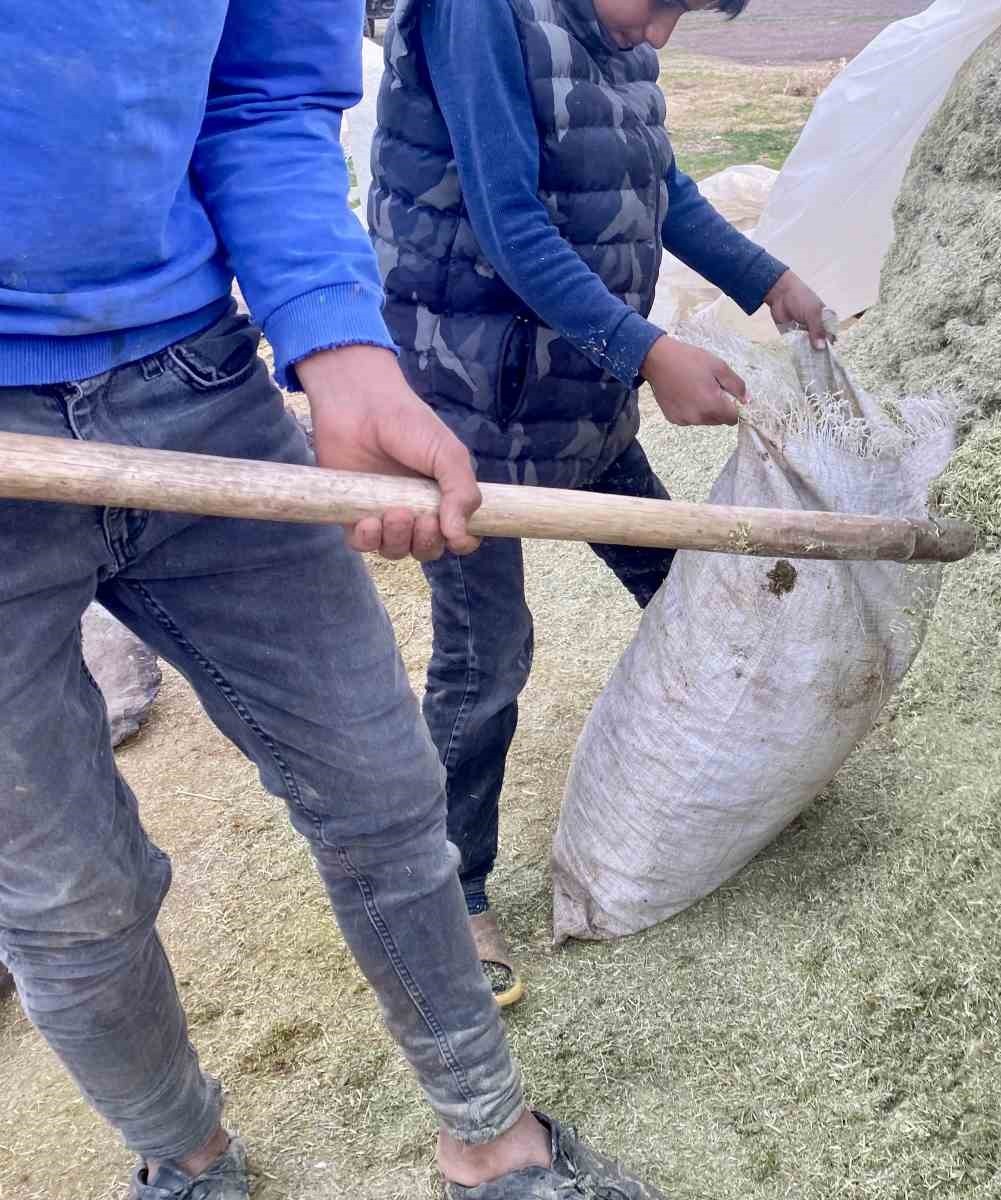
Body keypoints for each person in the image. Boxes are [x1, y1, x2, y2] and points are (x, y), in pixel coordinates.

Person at [0, 3, 668, 1198]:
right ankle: (186, 1158)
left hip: (195, 381)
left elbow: (262, 97)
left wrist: (341, 348)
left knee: (383, 796)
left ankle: (489, 1136)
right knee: (65, 896)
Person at [370, 0, 830, 1005]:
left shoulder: (618, 43)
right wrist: (651, 352)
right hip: (464, 405)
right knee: (486, 655)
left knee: (685, 587)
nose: (661, 33)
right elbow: (509, 226)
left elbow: (662, 190)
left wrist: (768, 280)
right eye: (662, 4)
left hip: (577, 396)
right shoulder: (479, 15)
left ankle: (735, 778)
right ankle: (454, 893)